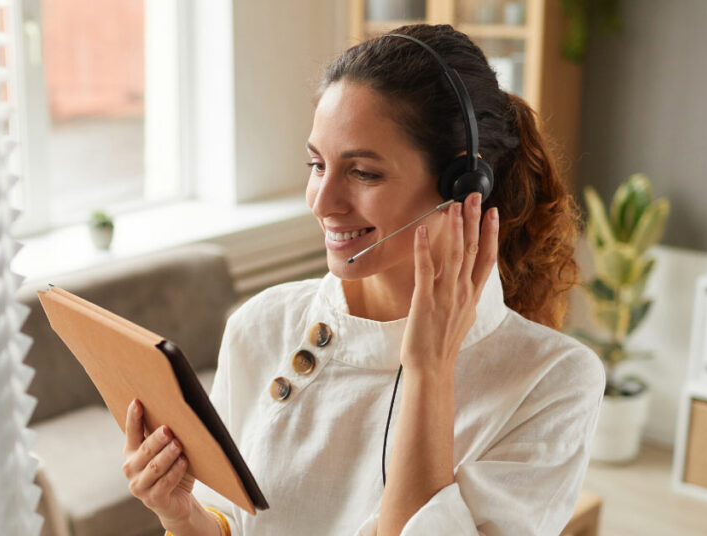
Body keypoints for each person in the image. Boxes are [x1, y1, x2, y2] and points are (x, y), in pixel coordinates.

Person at [121, 24, 605, 535]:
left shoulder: (555, 382)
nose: (322, 202)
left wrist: (428, 369)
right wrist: (183, 515)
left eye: (364, 173)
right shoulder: (259, 325)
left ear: (465, 186)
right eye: (316, 164)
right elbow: (235, 526)